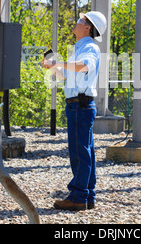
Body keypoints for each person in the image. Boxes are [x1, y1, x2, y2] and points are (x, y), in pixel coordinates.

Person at [42, 11, 107, 211]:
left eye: (81, 20)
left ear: (88, 27)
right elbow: (67, 75)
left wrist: (58, 62)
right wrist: (53, 66)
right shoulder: (80, 48)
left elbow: (84, 66)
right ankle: (86, 196)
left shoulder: (88, 47)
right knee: (85, 152)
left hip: (79, 106)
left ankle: (78, 196)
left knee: (80, 153)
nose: (77, 22)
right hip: (80, 105)